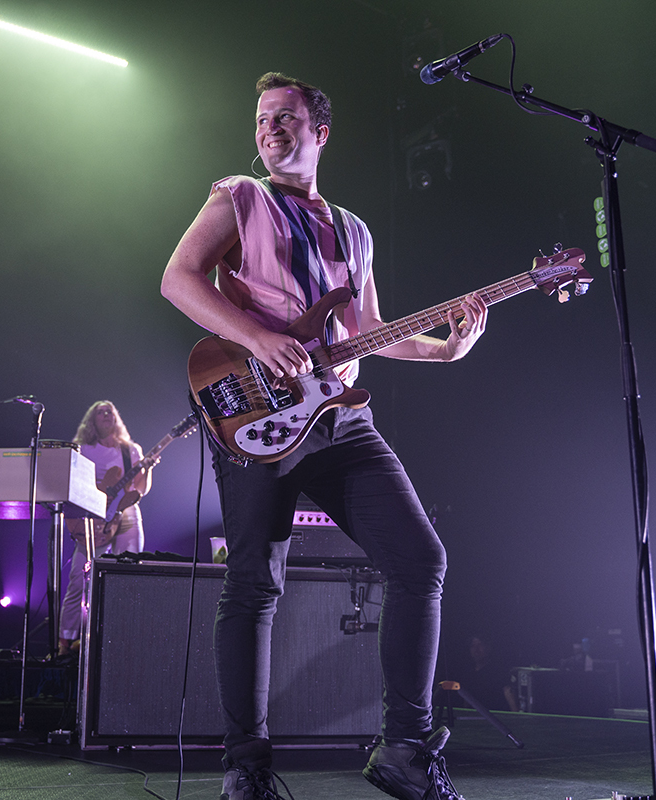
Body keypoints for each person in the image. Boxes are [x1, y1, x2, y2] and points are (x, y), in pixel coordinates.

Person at [161, 73, 488, 800]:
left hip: (338, 416)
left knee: (419, 559)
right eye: (262, 120)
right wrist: (256, 337)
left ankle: (405, 749)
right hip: (256, 410)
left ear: (321, 132)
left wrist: (445, 349)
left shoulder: (355, 230)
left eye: (285, 117)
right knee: (253, 584)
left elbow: (366, 332)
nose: (270, 129)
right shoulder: (237, 198)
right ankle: (246, 770)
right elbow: (178, 279)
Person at [56, 401, 152, 659]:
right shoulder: (83, 449)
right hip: (92, 514)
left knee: (128, 574)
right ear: (92, 420)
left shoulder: (130, 450)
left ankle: (119, 639)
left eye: (110, 411)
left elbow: (139, 490)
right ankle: (65, 642)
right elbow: (72, 484)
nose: (107, 415)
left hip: (126, 512)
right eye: (101, 411)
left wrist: (148, 468)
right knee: (78, 578)